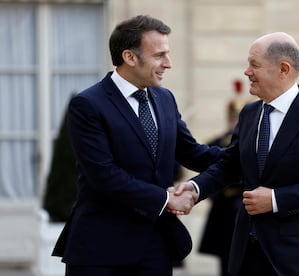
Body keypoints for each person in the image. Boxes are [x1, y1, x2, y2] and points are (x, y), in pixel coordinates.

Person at [51, 15, 222, 276]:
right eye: (159, 55)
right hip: (100, 250)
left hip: (155, 247)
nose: (169, 63)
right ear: (130, 57)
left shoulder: (164, 98)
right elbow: (104, 175)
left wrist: (249, 155)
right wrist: (166, 199)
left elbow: (194, 153)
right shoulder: (88, 104)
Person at [173, 32, 299, 276]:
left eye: (254, 64)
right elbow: (230, 165)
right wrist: (194, 189)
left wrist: (276, 199)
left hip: (297, 256)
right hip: (247, 251)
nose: (247, 71)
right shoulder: (249, 113)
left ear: (283, 69)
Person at [198, 80, 249, 276]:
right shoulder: (216, 143)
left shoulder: (251, 143)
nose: (234, 122)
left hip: (245, 206)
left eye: (238, 118)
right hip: (222, 208)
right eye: (232, 118)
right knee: (225, 261)